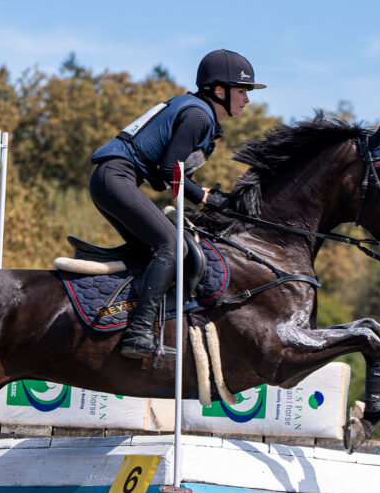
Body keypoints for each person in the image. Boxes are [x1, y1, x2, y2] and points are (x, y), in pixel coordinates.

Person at [89, 48, 264, 359]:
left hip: (112, 179)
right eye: (242, 91)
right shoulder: (198, 115)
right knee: (172, 246)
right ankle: (138, 332)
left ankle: (124, 316)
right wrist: (206, 198)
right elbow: (171, 170)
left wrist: (207, 194)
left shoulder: (195, 110)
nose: (247, 100)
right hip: (116, 177)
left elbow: (174, 172)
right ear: (220, 91)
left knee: (158, 249)